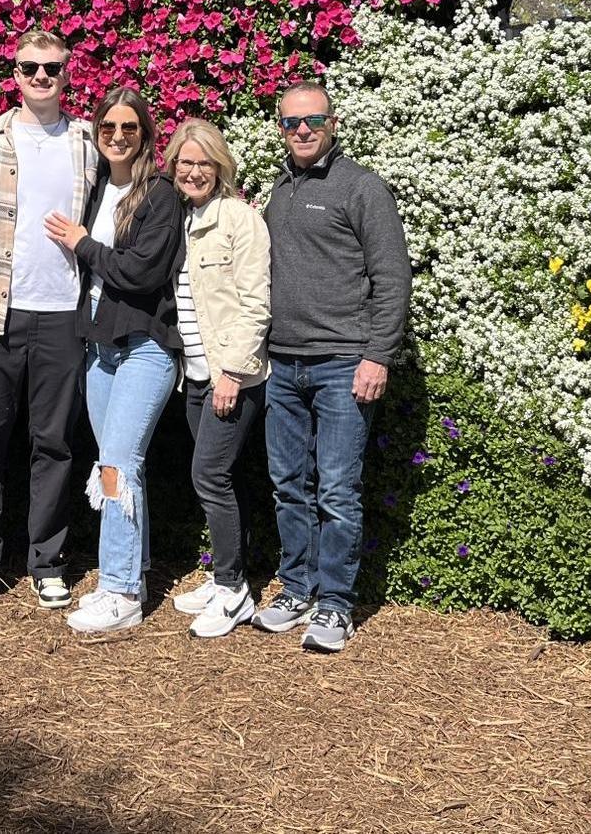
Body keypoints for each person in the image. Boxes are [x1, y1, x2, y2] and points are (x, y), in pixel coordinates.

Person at [254, 80, 411, 652]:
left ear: (332, 123)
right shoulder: (277, 191)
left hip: (343, 364)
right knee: (288, 485)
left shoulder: (362, 188)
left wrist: (377, 356)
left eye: (312, 120)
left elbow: (392, 279)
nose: (302, 131)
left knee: (339, 490)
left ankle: (336, 605)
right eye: (291, 123)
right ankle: (297, 589)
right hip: (283, 363)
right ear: (281, 128)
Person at [0, 30, 98, 612]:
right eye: (29, 67)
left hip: (63, 312)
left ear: (68, 71)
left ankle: (48, 560)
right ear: (13, 71)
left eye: (52, 67)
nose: (41, 76)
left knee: (55, 443)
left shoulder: (89, 141)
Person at [45, 89, 182, 633]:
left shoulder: (159, 195)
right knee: (119, 466)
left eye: (129, 128)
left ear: (145, 135)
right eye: (108, 129)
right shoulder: (99, 186)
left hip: (145, 349)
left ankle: (120, 592)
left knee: (116, 466)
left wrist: (82, 244)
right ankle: (134, 573)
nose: (118, 137)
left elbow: (141, 272)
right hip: (100, 350)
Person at [162, 120, 271, 638]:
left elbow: (256, 304)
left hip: (231, 377)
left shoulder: (239, 220)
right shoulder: (182, 218)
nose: (194, 171)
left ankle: (233, 592)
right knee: (215, 479)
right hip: (196, 377)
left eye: (204, 163)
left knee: (211, 475)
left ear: (221, 166)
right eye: (186, 162)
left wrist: (233, 372)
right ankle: (224, 574)